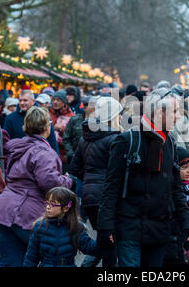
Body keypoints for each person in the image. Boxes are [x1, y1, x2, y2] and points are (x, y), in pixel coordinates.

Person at [96, 88, 189, 267]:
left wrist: (187, 225)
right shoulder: (126, 141)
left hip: (159, 229)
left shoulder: (170, 143)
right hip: (129, 227)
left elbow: (176, 189)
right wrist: (105, 226)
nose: (178, 117)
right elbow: (111, 187)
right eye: (174, 112)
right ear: (160, 112)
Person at [0, 106, 73, 266]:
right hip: (26, 214)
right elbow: (50, 183)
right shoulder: (43, 152)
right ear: (47, 127)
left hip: (3, 210)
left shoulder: (17, 147)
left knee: (11, 262)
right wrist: (67, 180)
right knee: (51, 258)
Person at [70, 96, 122, 267]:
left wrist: (91, 179)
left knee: (105, 238)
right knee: (112, 242)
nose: (121, 117)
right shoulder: (115, 139)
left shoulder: (86, 137)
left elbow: (75, 168)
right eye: (118, 114)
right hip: (109, 198)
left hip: (89, 197)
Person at [23, 187, 99, 267]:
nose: (48, 207)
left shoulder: (76, 227)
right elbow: (31, 257)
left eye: (52, 204)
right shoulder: (39, 226)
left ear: (65, 208)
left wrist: (104, 237)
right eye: (47, 203)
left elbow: (89, 247)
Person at [49, 90, 74, 172]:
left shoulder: (71, 116)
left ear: (64, 102)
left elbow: (73, 135)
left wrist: (61, 129)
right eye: (53, 100)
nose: (55, 102)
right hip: (48, 155)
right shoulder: (47, 113)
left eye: (58, 100)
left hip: (64, 157)